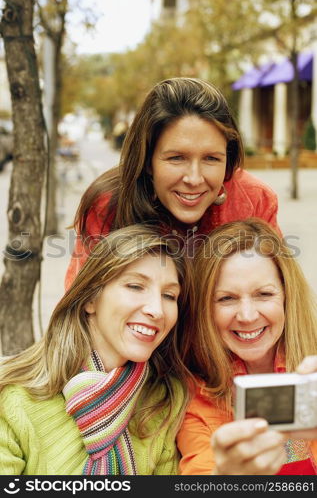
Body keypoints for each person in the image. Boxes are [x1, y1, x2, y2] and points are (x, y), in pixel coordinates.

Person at [0, 225, 194, 475]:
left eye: (169, 295)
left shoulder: (164, 399)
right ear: (91, 299)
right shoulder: (14, 399)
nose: (156, 310)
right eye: (135, 286)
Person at [65, 77, 281, 290]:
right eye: (176, 158)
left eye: (211, 158)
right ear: (147, 160)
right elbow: (81, 310)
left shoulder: (255, 200)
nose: (194, 179)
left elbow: (278, 298)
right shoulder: (107, 204)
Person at [177, 218, 317, 475]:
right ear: (205, 309)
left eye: (264, 294)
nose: (247, 315)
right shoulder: (194, 397)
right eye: (226, 298)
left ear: (287, 296)